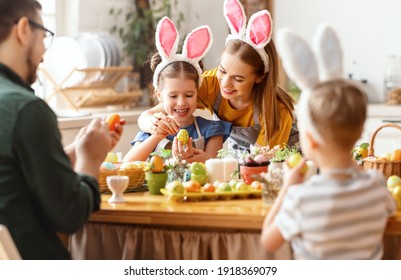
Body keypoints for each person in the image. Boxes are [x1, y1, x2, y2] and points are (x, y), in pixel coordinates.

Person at [0, 0, 123, 259]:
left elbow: (16, 179)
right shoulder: (26, 110)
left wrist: (77, 152)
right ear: (23, 29)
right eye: (44, 35)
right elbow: (70, 215)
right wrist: (91, 159)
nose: (44, 50)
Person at [260, 24, 396, 259]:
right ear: (360, 132)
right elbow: (390, 209)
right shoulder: (375, 185)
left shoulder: (300, 198)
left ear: (310, 140)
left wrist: (287, 189)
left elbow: (268, 241)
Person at [137, 0, 298, 152]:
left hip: (287, 159)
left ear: (260, 77)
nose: (226, 83)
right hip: (246, 156)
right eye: (222, 70)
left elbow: (264, 162)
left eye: (238, 79)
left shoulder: (276, 110)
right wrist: (153, 124)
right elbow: (148, 115)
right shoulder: (211, 83)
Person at [123, 17, 231, 163]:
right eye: (173, 96)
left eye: (189, 95)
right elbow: (126, 167)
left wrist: (200, 159)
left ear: (197, 93)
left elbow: (217, 171)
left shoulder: (211, 130)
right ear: (159, 95)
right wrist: (157, 135)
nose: (181, 102)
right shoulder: (151, 128)